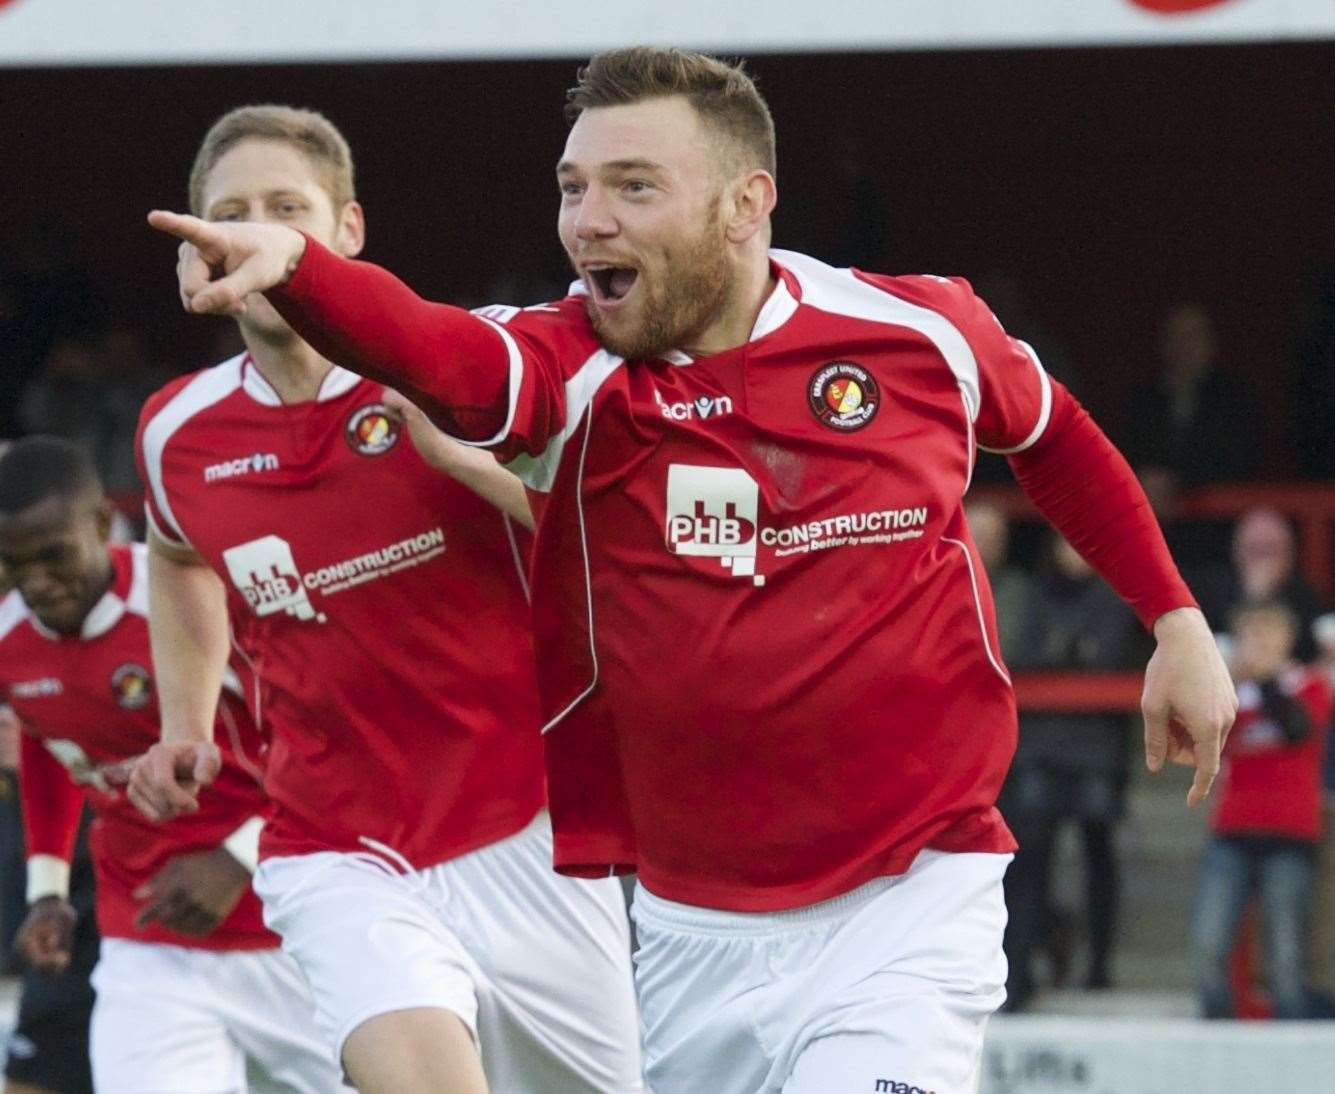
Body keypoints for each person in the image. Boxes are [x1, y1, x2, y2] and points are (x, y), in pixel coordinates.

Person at [142, 50, 1237, 1093]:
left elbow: (1049, 432)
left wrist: (1175, 617)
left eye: (632, 186)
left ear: (744, 202)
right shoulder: (574, 368)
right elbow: (451, 359)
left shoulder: (917, 329)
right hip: (683, 924)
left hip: (912, 894)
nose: (589, 220)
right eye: (573, 188)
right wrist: (303, 272)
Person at [127, 106, 641, 1094]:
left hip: (530, 831)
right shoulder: (176, 431)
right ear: (193, 254)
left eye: (287, 208)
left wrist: (468, 459)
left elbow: (617, 545)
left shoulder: (467, 369)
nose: (254, 229)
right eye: (228, 212)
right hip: (337, 844)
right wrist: (186, 723)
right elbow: (176, 553)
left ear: (348, 232)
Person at [0, 436, 344, 1093]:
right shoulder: (9, 639)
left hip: (291, 925)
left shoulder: (190, 599)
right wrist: (46, 892)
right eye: (15, 565)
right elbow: (53, 744)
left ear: (101, 524)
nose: (39, 582)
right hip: (147, 942)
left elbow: (327, 738)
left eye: (55, 556)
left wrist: (238, 858)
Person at [999, 532, 1139, 1009]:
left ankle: (1099, 965)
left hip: (1097, 751)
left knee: (1098, 857)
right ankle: (1025, 969)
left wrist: (1064, 654)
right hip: (1042, 748)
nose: (1075, 555)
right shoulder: (1035, 594)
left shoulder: (1117, 596)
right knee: (1031, 862)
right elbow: (1023, 655)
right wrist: (1075, 652)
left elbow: (1111, 654)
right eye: (1066, 545)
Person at [1191, 600, 1332, 1019]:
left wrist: (1266, 679)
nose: (1260, 644)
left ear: (1288, 640)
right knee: (1208, 941)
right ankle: (1216, 1042)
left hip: (1289, 833)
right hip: (1232, 830)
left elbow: (1297, 727)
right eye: (1251, 634)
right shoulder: (1228, 693)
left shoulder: (1309, 685)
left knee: (1286, 955)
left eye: (1269, 634)